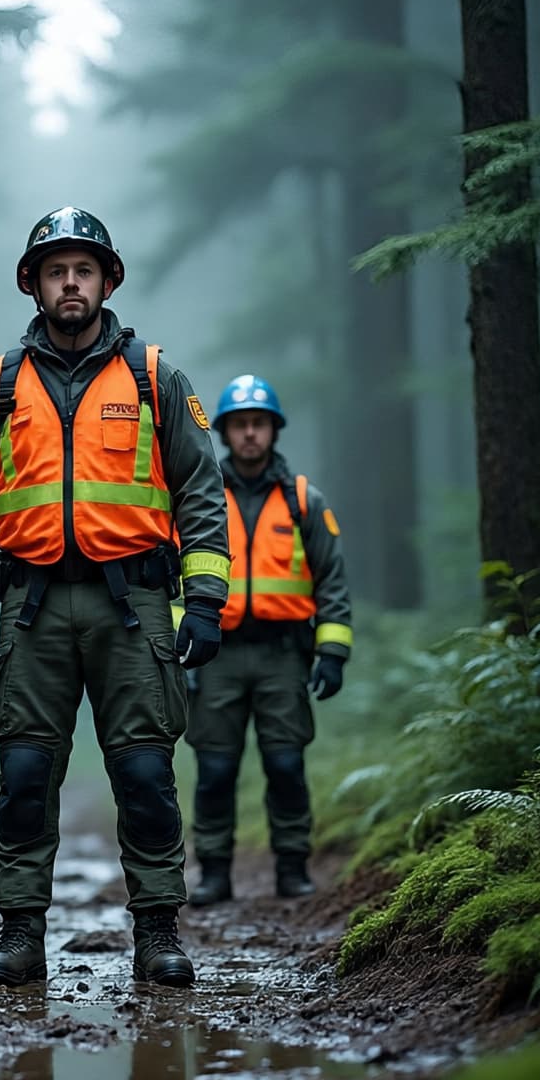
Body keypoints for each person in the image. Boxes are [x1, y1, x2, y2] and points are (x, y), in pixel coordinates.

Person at [0, 207, 231, 989]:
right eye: (56, 270)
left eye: (85, 269)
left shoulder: (154, 376)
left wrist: (204, 596)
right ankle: (21, 937)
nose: (72, 282)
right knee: (27, 774)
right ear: (34, 285)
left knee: (144, 774)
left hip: (134, 607)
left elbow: (201, 488)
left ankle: (160, 934)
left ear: (108, 281)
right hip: (30, 611)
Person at [185, 375, 353, 904]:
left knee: (285, 764)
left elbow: (331, 580)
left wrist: (332, 651)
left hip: (284, 655)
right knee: (214, 768)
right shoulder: (200, 497)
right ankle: (213, 872)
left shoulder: (304, 500)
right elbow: (174, 577)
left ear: (273, 430)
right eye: (239, 425)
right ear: (226, 433)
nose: (250, 434)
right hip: (217, 655)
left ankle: (291, 868)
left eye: (258, 424)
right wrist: (177, 649)